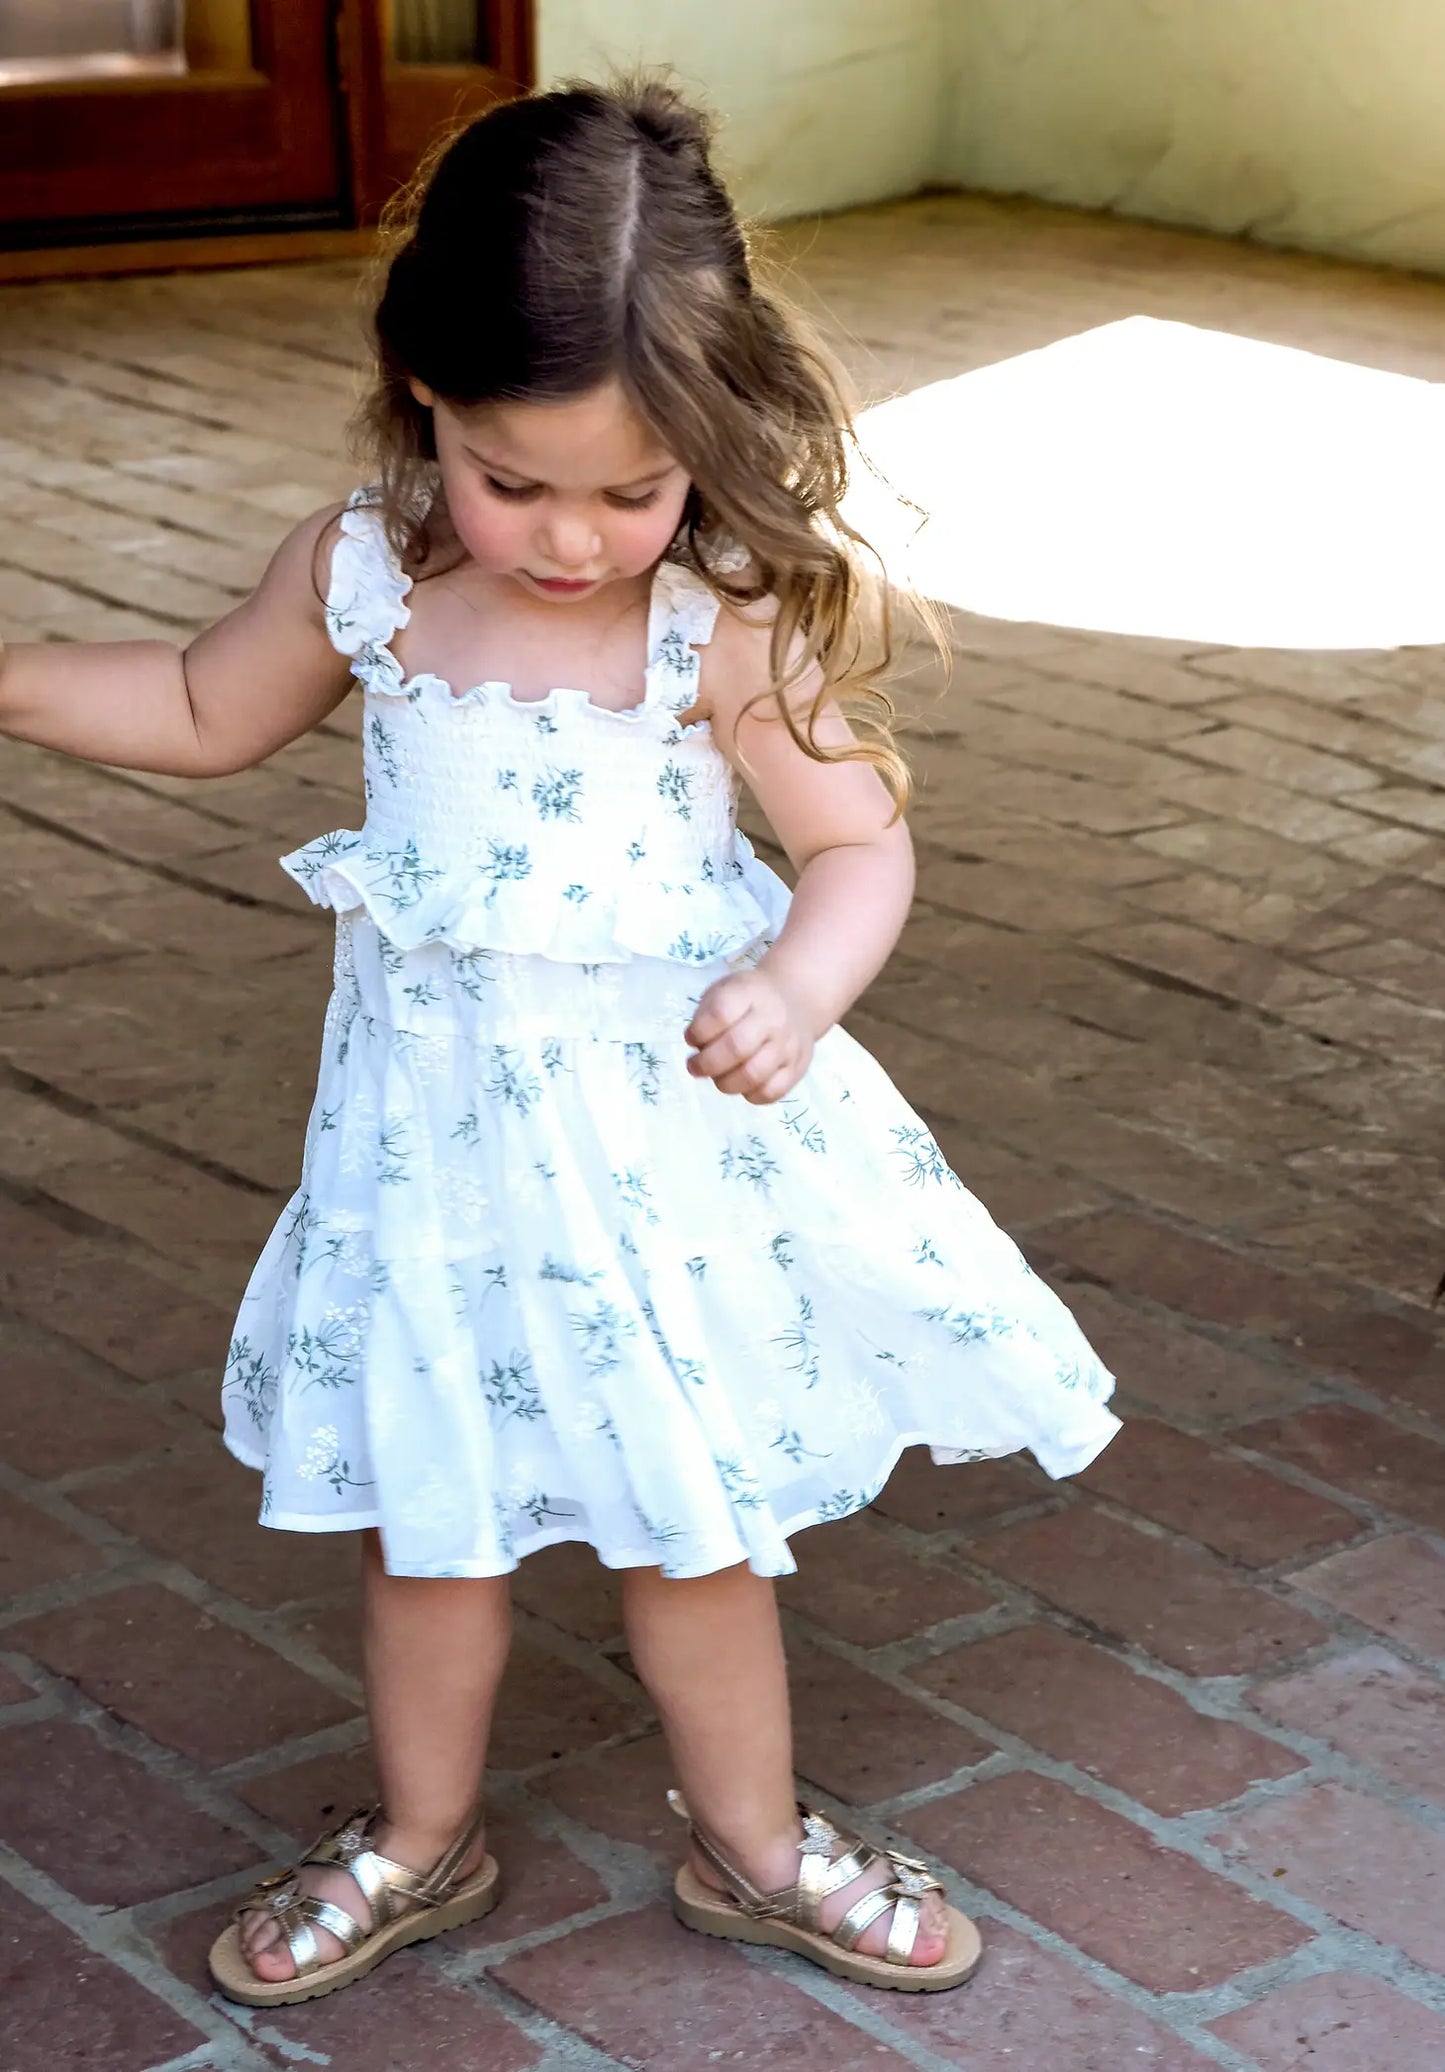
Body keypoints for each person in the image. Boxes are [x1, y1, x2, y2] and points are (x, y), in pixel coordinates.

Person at [0, 76, 1119, 2009]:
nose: (578, 538)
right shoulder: (363, 572)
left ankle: (754, 1845)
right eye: (519, 482)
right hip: (431, 1167)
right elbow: (196, 702)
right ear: (421, 385)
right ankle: (418, 1839)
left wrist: (799, 982)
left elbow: (855, 841)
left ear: (709, 445)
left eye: (635, 488)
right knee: (427, 1524)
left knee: (691, 1531)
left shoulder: (720, 620)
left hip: (661, 1170)